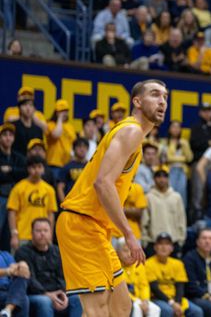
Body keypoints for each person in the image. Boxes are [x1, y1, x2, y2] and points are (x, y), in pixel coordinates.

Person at [55, 79, 168, 317]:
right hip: (81, 224)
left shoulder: (133, 134)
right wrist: (128, 234)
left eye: (165, 97)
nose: (162, 101)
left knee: (121, 307)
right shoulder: (131, 131)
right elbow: (102, 183)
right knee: (97, 310)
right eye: (155, 95)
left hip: (97, 228)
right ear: (137, 101)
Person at [16, 218, 82, 317]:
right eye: (38, 231)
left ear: (51, 233)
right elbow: (29, 280)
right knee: (45, 302)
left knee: (76, 298)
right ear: (31, 233)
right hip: (35, 294)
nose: (42, 234)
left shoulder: (57, 251)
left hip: (58, 292)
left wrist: (62, 293)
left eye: (45, 230)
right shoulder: (22, 252)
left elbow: (64, 275)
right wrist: (47, 294)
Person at [145, 233, 201, 317]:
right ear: (155, 247)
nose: (164, 247)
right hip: (157, 298)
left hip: (176, 299)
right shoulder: (148, 263)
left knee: (197, 311)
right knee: (167, 310)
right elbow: (155, 289)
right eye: (161, 244)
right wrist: (172, 303)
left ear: (172, 248)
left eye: (167, 244)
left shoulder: (178, 264)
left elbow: (180, 287)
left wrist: (177, 303)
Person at [7, 156, 56, 250]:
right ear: (28, 169)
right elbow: (12, 212)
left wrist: (49, 234)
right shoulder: (18, 188)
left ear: (43, 169)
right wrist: (14, 234)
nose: (36, 170)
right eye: (33, 167)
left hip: (42, 236)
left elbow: (51, 214)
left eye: (39, 167)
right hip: (23, 235)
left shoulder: (49, 190)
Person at [141, 167, 187, 255]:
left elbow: (182, 219)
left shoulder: (176, 197)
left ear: (168, 179)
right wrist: (145, 241)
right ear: (154, 179)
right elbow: (144, 221)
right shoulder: (148, 197)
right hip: (153, 242)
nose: (162, 179)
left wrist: (181, 240)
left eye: (164, 176)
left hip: (174, 242)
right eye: (158, 176)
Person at [117, 242, 160, 317]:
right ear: (117, 252)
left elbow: (144, 285)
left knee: (155, 309)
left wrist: (145, 300)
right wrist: (137, 301)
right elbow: (120, 289)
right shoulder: (115, 267)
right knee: (137, 308)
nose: (129, 254)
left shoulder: (139, 264)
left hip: (140, 299)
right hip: (123, 299)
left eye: (131, 251)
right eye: (125, 250)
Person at [0, 123, 26, 243]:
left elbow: (25, 173)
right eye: (5, 135)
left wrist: (10, 170)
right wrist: (14, 173)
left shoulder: (19, 157)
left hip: (16, 198)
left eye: (11, 135)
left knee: (11, 233)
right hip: (1, 197)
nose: (8, 137)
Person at [10, 92, 46, 157]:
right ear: (19, 108)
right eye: (25, 105)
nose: (28, 108)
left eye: (30, 105)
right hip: (16, 162)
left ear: (34, 109)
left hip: (32, 163)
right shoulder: (13, 126)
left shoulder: (38, 130)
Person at [55, 138, 89, 204]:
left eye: (85, 147)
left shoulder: (91, 166)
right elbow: (60, 187)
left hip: (86, 202)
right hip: (71, 202)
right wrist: (64, 204)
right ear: (74, 149)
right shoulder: (67, 167)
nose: (82, 149)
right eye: (79, 146)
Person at [45, 100, 77, 168]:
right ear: (56, 112)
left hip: (68, 164)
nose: (64, 113)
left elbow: (74, 144)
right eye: (61, 111)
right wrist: (59, 118)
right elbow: (56, 135)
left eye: (65, 111)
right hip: (54, 163)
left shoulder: (70, 127)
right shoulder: (51, 124)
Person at [0, 248, 30, 317]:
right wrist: (7, 271)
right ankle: (8, 310)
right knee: (23, 299)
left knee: (22, 274)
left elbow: (16, 270)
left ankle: (7, 310)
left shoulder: (5, 255)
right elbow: (10, 271)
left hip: (9, 290)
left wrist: (22, 265)